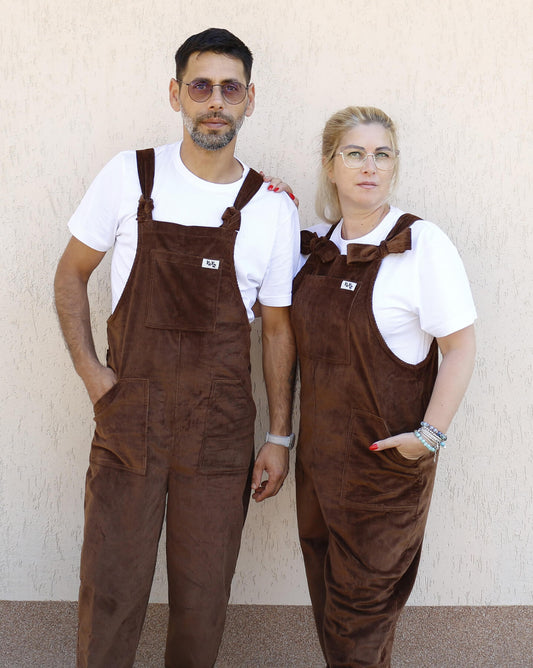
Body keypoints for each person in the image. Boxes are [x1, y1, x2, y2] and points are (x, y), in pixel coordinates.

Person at [54, 28, 299, 668]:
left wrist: (279, 435)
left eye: (230, 88)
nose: (214, 101)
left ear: (249, 100)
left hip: (218, 432)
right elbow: (70, 273)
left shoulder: (270, 206)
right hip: (128, 418)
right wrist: (92, 375)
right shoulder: (130, 175)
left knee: (203, 598)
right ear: (176, 94)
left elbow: (277, 328)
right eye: (201, 86)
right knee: (111, 588)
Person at [290, 106, 476, 667]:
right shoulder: (317, 247)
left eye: (382, 154)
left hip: (382, 480)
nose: (369, 166)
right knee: (333, 623)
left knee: (357, 631)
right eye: (354, 153)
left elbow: (461, 347)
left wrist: (431, 435)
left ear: (394, 166)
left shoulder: (423, 245)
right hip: (318, 474)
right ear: (330, 165)